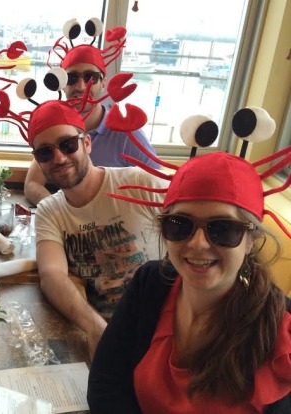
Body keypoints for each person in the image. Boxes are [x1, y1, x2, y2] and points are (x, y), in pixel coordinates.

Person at [88, 152, 291, 413]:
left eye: (223, 228)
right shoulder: (150, 284)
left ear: (251, 239)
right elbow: (106, 384)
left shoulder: (280, 332)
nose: (197, 244)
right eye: (180, 224)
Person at [30, 100, 164, 359]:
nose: (58, 158)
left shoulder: (138, 182)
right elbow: (52, 276)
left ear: (87, 143)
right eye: (45, 152)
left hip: (162, 329)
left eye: (68, 144)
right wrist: (95, 329)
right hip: (106, 332)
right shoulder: (50, 211)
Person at [24, 44, 160, 206]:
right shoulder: (56, 128)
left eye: (91, 77)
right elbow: (32, 184)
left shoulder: (125, 132)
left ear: (103, 83)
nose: (81, 87)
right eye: (72, 78)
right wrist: (62, 213)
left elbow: (157, 185)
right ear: (62, 83)